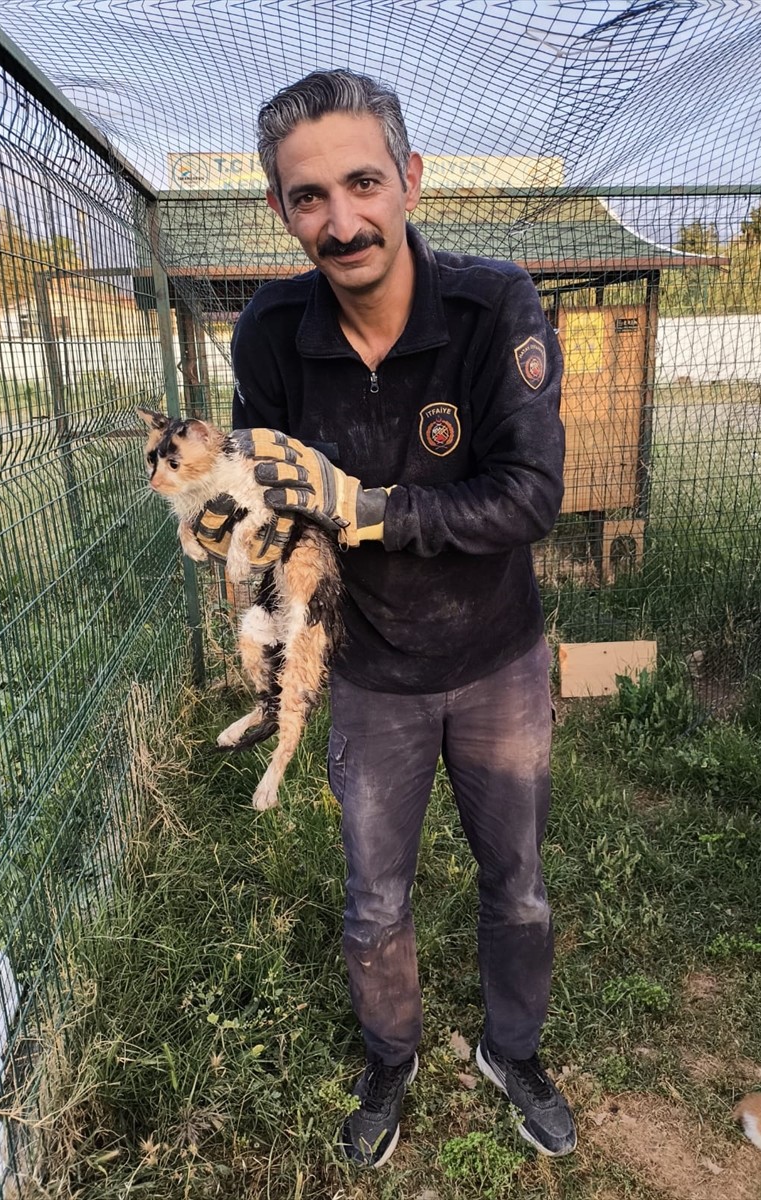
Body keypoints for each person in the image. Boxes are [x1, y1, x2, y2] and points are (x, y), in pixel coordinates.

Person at [227, 68, 575, 1169]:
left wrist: (368, 511)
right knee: (373, 898)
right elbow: (270, 500)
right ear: (281, 210)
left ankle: (510, 1050)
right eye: (309, 197)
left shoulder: (491, 308)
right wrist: (263, 601)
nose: (342, 220)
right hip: (368, 670)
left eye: (363, 183)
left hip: (494, 657)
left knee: (513, 884)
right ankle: (394, 1051)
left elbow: (529, 495)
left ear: (410, 180)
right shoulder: (272, 336)